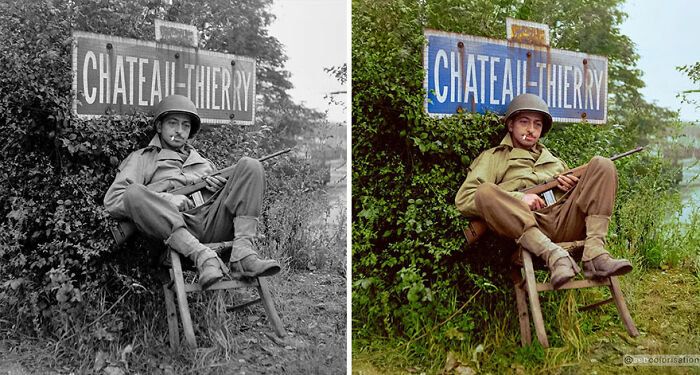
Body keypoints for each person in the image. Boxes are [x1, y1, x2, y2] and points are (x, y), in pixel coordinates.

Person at [454, 93, 632, 289]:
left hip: (563, 221)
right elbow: (465, 199)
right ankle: (554, 256)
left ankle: (595, 255)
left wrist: (570, 190)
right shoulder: (494, 158)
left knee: (603, 164)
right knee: (485, 191)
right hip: (526, 227)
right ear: (511, 125)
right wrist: (520, 198)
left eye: (537, 124)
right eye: (524, 122)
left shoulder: (554, 161)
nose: (531, 130)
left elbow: (572, 200)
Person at [104, 94, 280, 290]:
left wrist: (218, 190)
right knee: (133, 192)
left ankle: (243, 255)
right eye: (173, 123)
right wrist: (167, 199)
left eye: (185, 126)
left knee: (251, 165)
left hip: (211, 223)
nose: (179, 131)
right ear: (159, 126)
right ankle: (202, 256)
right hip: (173, 230)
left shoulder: (204, 162)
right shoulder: (142, 159)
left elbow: (224, 201)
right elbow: (114, 200)